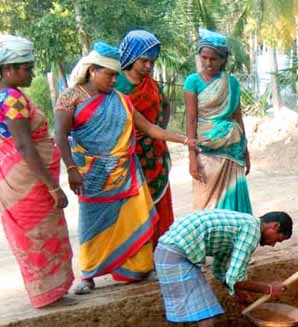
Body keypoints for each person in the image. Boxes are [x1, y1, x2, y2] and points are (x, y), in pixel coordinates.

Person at [54, 42, 196, 295]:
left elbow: (150, 128)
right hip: (91, 174)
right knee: (92, 224)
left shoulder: (121, 100)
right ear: (93, 71)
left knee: (132, 219)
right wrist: (72, 169)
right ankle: (88, 274)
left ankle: (135, 268)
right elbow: (61, 136)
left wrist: (184, 139)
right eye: (109, 75)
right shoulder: (70, 97)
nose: (113, 80)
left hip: (125, 173)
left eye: (116, 75)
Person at [154, 209, 293, 327]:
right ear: (274, 226)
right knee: (206, 323)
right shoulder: (252, 230)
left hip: (170, 253)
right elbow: (234, 276)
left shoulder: (241, 224)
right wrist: (268, 288)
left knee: (202, 321)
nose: (273, 245)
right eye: (277, 239)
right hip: (176, 258)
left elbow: (221, 270)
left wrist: (238, 291)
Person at [0, 34, 74, 308]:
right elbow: (23, 144)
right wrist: (53, 187)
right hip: (28, 181)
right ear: (8, 70)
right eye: (26, 68)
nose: (31, 73)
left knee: (34, 233)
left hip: (13, 177)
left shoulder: (6, 96)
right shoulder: (12, 99)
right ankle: (49, 294)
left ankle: (49, 291)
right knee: (41, 233)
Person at [184, 29, 252, 214]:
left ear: (223, 60)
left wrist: (245, 150)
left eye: (213, 59)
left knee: (232, 198)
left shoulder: (232, 83)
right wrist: (192, 158)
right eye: (204, 57)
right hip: (206, 148)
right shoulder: (192, 82)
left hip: (232, 148)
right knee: (205, 201)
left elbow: (237, 117)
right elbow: (190, 121)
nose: (208, 63)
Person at [117, 30, 173, 246]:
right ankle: (136, 256)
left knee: (159, 205)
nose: (149, 67)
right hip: (129, 156)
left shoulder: (152, 84)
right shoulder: (117, 84)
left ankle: (160, 251)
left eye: (152, 62)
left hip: (154, 154)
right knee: (133, 207)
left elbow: (165, 105)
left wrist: (159, 130)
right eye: (144, 61)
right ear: (130, 57)